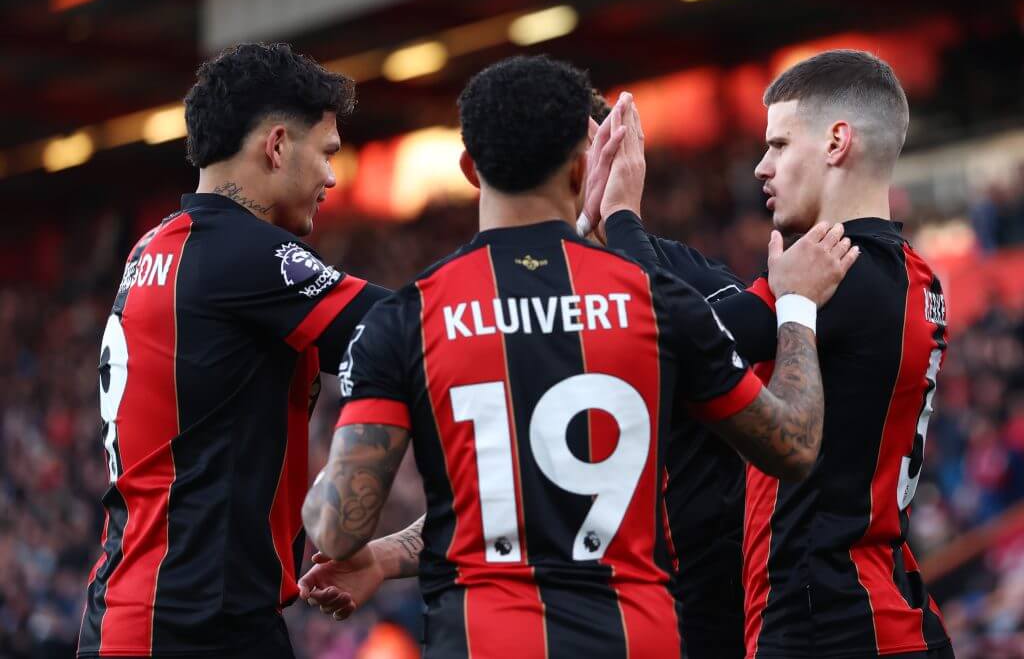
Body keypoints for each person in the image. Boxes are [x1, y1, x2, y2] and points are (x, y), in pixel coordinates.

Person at [300, 55, 857, 658]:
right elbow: (793, 446)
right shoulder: (659, 301)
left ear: (468, 168)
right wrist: (796, 307)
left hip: (483, 643)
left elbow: (338, 526)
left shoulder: (406, 318)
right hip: (637, 639)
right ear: (580, 166)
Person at [599, 50, 953, 659]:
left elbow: (669, 336)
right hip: (883, 603)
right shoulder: (908, 273)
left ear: (837, 142)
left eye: (780, 145)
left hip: (829, 621)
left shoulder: (836, 273)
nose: (762, 167)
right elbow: (712, 309)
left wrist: (620, 217)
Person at [77, 42, 390, 659]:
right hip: (189, 627)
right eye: (327, 153)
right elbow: (415, 330)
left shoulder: (158, 248)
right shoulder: (238, 254)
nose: (331, 178)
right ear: (277, 146)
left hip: (160, 612)